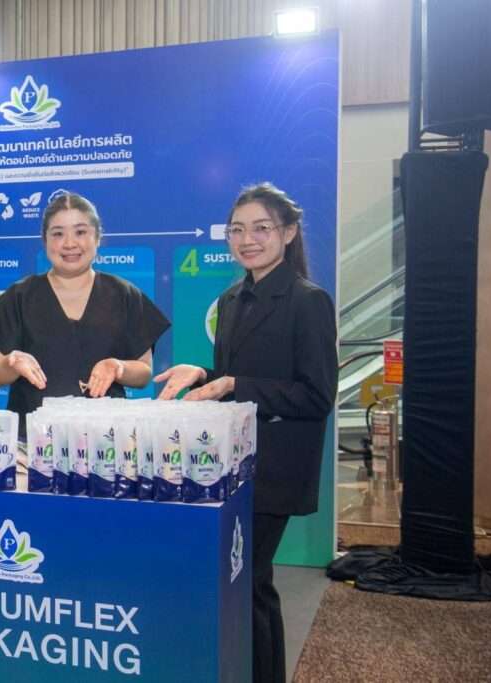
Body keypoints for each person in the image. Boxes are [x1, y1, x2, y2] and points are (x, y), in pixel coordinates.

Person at [155, 183, 338, 683]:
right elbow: (235, 382)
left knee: (251, 581)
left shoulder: (308, 301)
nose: (247, 239)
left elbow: (316, 396)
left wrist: (234, 384)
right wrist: (203, 374)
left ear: (289, 232)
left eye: (261, 228)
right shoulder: (232, 298)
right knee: (241, 585)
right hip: (233, 465)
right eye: (237, 230)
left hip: (277, 467)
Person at [0, 192, 169, 430]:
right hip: (33, 438)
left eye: (80, 232)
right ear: (44, 240)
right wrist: (12, 363)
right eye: (58, 234)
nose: (69, 244)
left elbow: (143, 373)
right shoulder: (19, 296)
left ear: (97, 237)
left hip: (105, 438)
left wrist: (118, 367)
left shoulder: (125, 295)